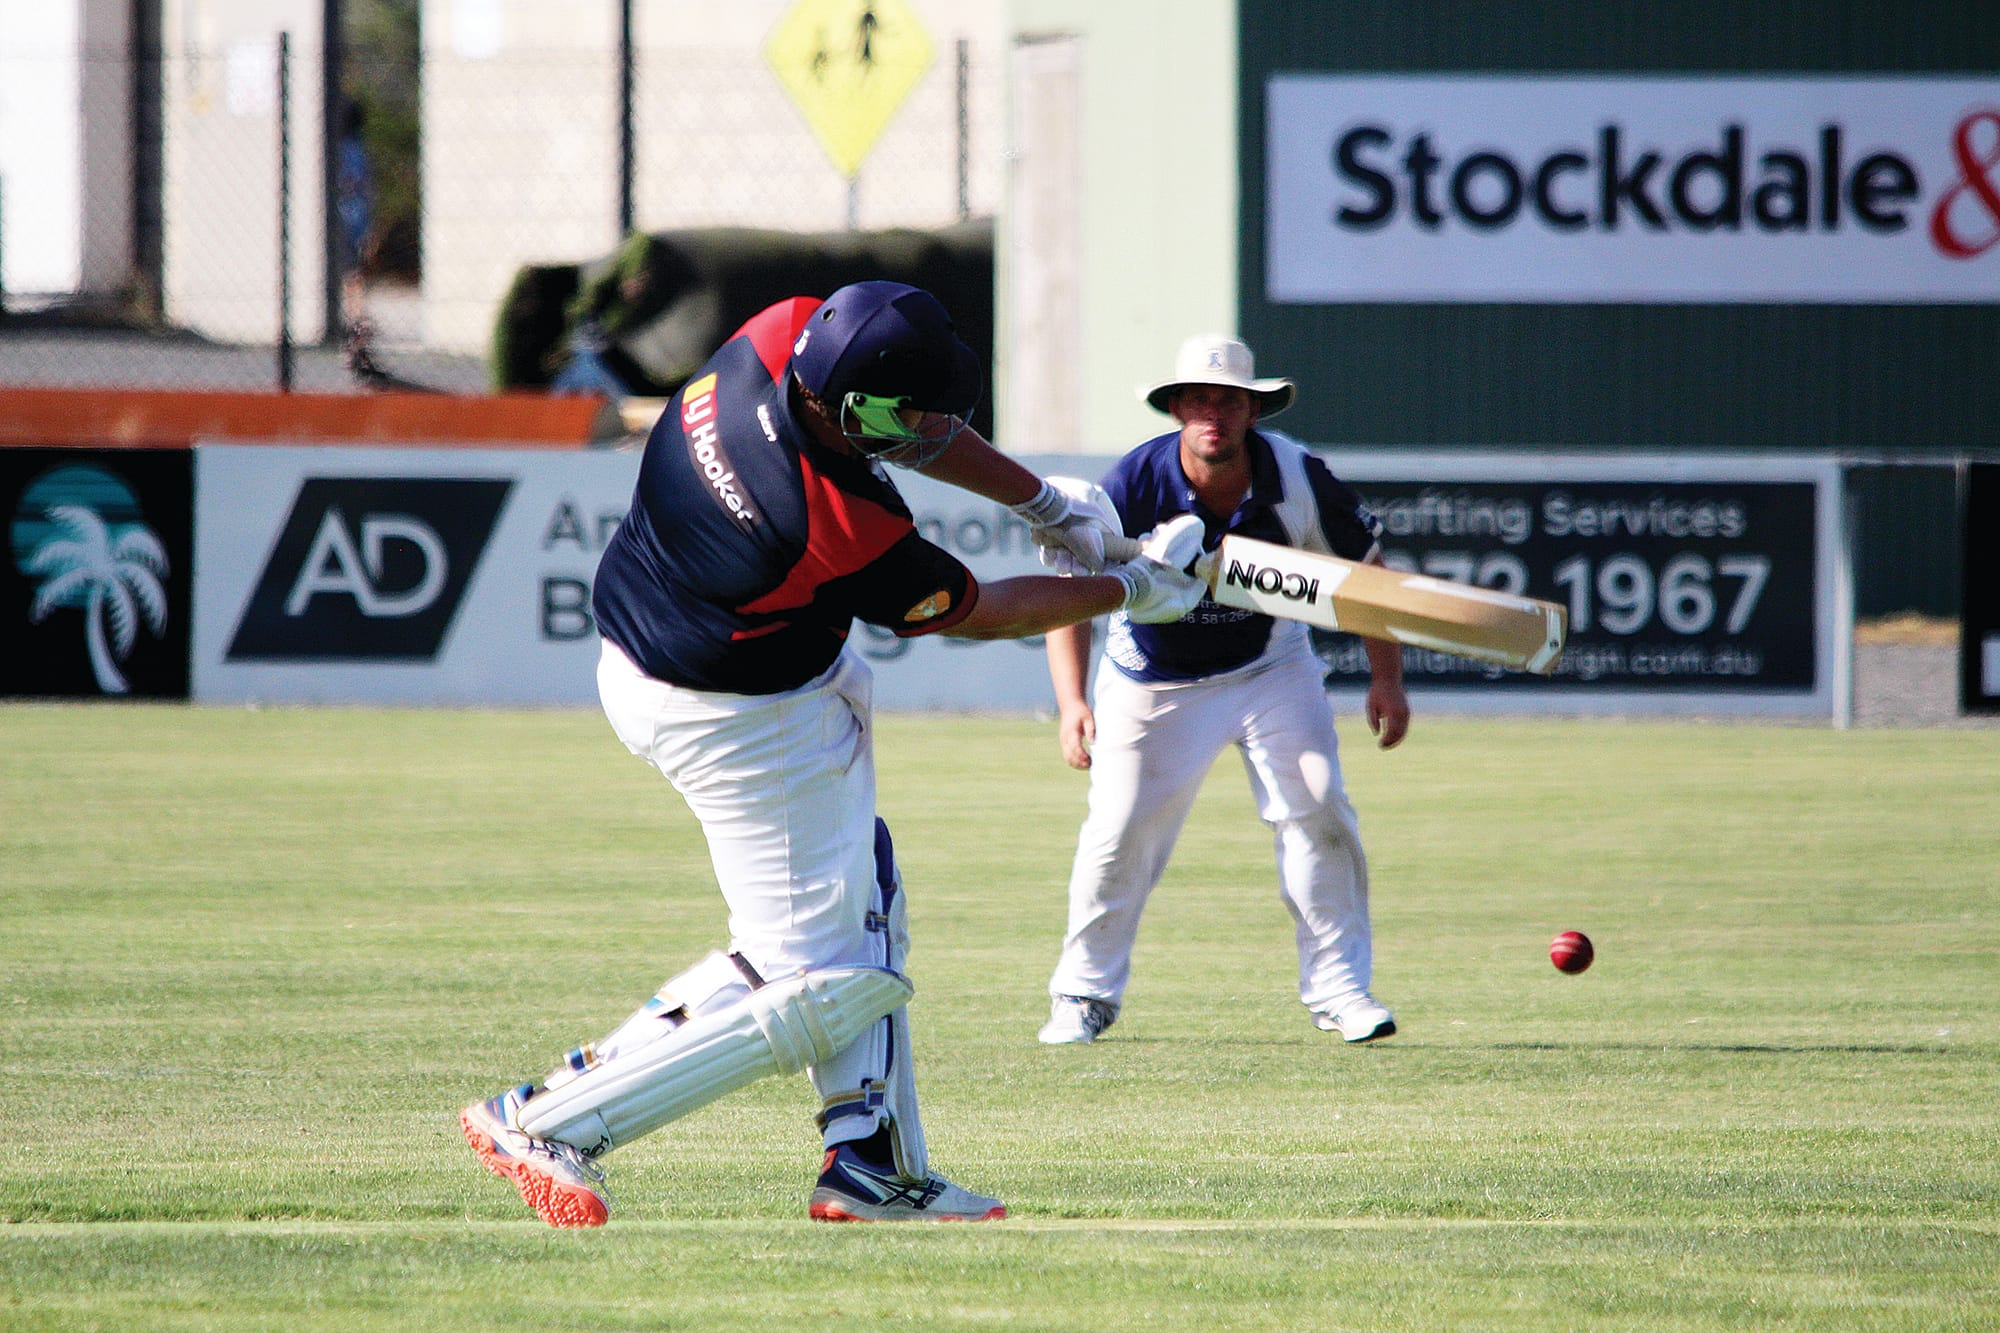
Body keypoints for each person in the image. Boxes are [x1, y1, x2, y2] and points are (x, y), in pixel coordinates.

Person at [458, 281, 1206, 1227]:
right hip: (737, 719)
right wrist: (1129, 588)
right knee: (817, 977)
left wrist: (1042, 499)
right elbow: (974, 610)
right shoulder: (826, 518)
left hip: (668, 652)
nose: (934, 422)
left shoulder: (780, 335)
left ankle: (873, 1164)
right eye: (914, 408)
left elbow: (915, 428)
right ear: (858, 410)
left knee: (866, 895)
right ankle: (548, 1118)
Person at [1035, 334, 1411, 1048]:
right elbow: (1071, 591)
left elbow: (1367, 577)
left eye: (1231, 401)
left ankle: (1340, 991)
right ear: (1177, 408)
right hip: (1154, 677)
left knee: (1319, 802)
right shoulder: (1133, 483)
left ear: (1252, 410)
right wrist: (1073, 701)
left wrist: (1386, 679)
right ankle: (1082, 995)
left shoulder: (1298, 476)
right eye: (1201, 400)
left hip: (1269, 664)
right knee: (1118, 831)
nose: (1216, 414)